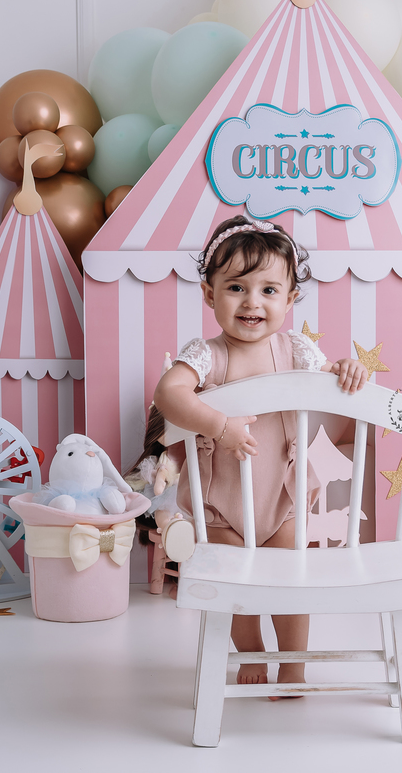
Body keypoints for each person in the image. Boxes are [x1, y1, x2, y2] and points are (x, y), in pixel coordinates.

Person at [154, 214, 368, 696]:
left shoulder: (297, 351)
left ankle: (293, 665)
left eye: (269, 290)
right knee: (238, 591)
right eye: (236, 288)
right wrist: (219, 425)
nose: (252, 301)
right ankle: (250, 650)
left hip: (282, 499)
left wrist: (347, 369)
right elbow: (169, 393)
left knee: (292, 585)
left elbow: (329, 383)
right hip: (220, 504)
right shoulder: (206, 354)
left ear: (290, 300)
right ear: (209, 294)